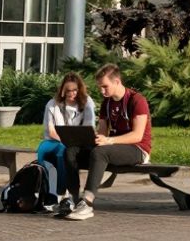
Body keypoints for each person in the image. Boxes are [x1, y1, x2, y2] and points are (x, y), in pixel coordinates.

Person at [61, 64, 152, 221]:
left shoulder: (137, 100)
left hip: (137, 149)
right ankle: (73, 199)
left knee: (99, 152)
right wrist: (94, 138)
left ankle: (87, 203)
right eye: (100, 87)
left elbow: (137, 136)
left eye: (105, 86)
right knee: (71, 151)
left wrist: (109, 140)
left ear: (117, 81)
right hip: (112, 147)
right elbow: (103, 131)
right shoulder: (107, 103)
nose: (102, 91)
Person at [37, 73, 96, 206]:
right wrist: (63, 139)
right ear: (62, 90)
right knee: (46, 150)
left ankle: (63, 191)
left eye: (74, 90)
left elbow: (89, 126)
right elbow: (51, 131)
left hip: (78, 142)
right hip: (55, 140)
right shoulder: (52, 104)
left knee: (64, 152)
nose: (71, 93)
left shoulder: (87, 102)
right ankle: (47, 189)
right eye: (68, 90)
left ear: (79, 90)